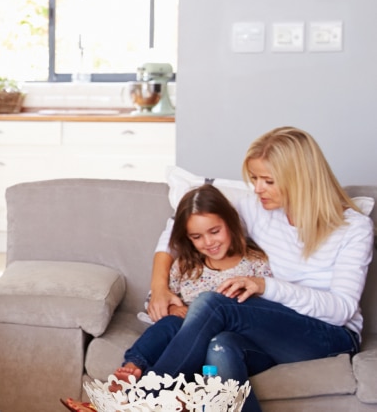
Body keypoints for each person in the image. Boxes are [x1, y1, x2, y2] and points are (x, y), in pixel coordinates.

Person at [142, 127, 372, 412]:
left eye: (268, 180)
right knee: (220, 347)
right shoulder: (257, 207)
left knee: (214, 303)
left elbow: (342, 309)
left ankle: (146, 398)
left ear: (300, 179)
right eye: (254, 179)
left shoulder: (354, 228)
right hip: (270, 328)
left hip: (330, 334)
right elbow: (180, 223)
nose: (257, 188)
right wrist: (160, 288)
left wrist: (266, 287)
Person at [59, 184, 272, 412]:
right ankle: (132, 369)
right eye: (197, 237)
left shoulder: (255, 263)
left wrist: (197, 316)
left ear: (231, 223)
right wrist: (173, 311)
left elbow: (262, 313)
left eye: (215, 231)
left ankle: (130, 400)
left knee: (204, 330)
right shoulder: (186, 266)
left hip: (232, 339)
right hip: (188, 344)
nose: (208, 242)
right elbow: (158, 306)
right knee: (170, 323)